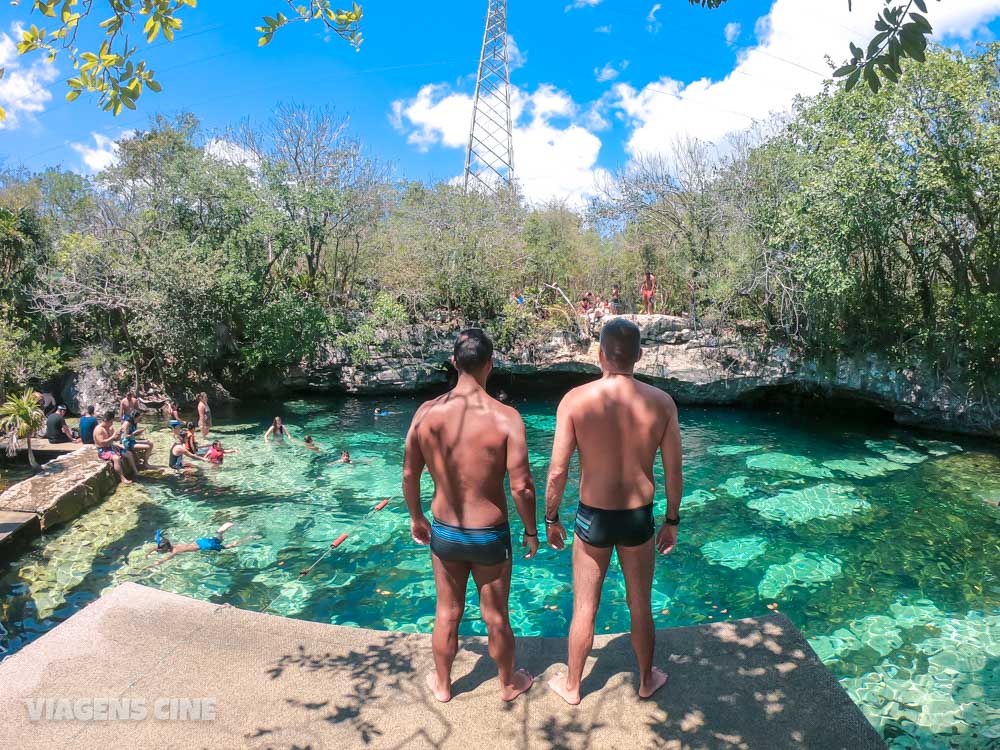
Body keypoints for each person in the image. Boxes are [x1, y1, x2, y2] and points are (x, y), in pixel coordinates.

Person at [544, 318, 682, 706]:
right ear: (639, 355)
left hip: (593, 517)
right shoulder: (661, 402)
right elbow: (674, 470)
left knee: (585, 605)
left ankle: (573, 686)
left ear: (599, 354)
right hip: (639, 516)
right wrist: (672, 520)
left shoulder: (575, 400)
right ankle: (645, 679)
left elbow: (557, 471)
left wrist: (550, 518)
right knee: (640, 602)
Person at [403, 328, 538, 704]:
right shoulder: (506, 417)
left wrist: (416, 516)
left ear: (452, 363)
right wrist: (531, 531)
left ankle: (444, 686)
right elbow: (522, 486)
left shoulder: (426, 413)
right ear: (490, 365)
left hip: (445, 531)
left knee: (447, 611)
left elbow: (410, 473)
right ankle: (508, 684)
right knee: (496, 615)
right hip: (490, 535)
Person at [151, 523, 256, 565]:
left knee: (228, 546)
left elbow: (166, 558)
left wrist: (159, 562)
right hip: (200, 541)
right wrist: (149, 552)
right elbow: (161, 542)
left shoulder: (175, 551)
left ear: (165, 549)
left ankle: (248, 538)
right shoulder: (174, 545)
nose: (159, 549)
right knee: (217, 539)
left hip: (205, 546)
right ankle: (220, 532)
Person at [93, 410, 137, 484]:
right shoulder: (99, 429)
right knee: (116, 458)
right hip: (103, 450)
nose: (112, 423)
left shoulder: (110, 428)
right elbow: (101, 442)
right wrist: (113, 437)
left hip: (111, 447)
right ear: (107, 420)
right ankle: (122, 478)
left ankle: (135, 471)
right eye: (111, 422)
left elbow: (115, 439)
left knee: (128, 453)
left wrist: (119, 434)